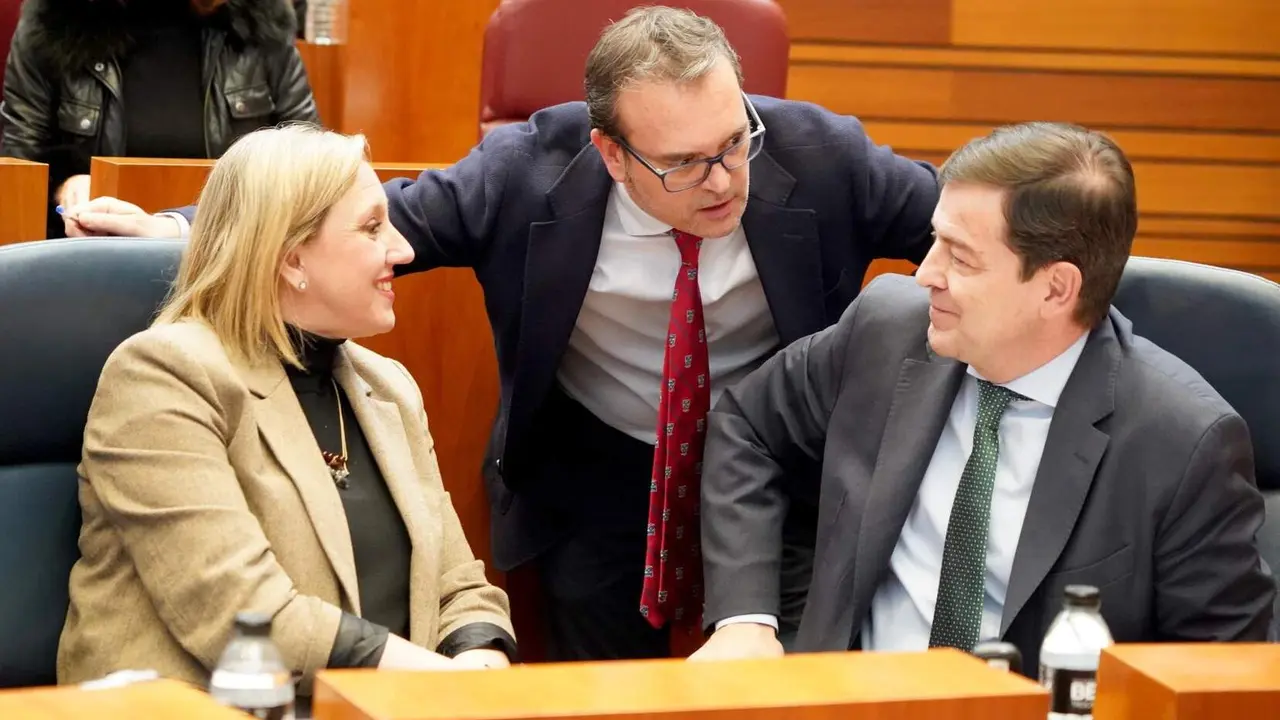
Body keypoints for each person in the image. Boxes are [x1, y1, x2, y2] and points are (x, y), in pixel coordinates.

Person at [57, 6, 939, 661]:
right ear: (612, 154)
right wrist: (177, 228)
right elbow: (371, 218)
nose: (723, 178)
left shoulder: (819, 154)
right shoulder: (528, 171)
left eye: (733, 141)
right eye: (682, 163)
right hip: (599, 482)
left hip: (782, 482)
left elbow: (973, 227)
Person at [693, 121, 1277, 670]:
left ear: (1055, 288)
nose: (926, 273)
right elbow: (747, 425)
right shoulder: (887, 329)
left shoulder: (1182, 442)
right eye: (934, 241)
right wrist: (746, 619)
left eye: (960, 257)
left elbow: (1218, 680)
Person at [58, 125, 516, 697]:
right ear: (292, 257)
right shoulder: (164, 374)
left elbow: (460, 588)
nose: (402, 249)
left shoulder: (388, 386)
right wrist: (443, 685)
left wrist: (479, 668)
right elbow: (243, 615)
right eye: (373, 228)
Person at [0, 0, 318, 239]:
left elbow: (311, 169)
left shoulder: (258, 16)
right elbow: (17, 169)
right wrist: (62, 189)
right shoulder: (56, 16)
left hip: (230, 258)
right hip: (95, 258)